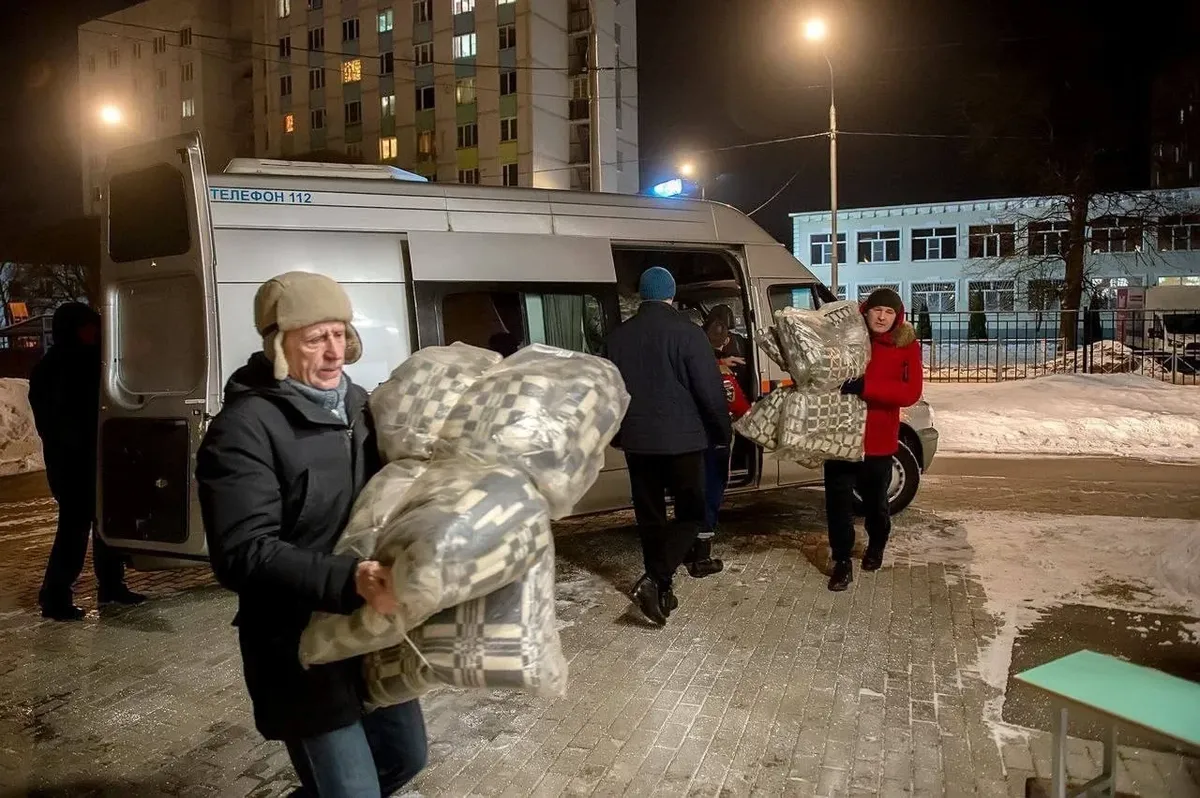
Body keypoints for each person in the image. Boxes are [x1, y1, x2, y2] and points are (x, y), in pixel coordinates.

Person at [195, 272, 426, 796]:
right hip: (297, 642)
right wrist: (351, 579)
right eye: (316, 338)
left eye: (340, 334)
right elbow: (242, 552)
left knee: (405, 758)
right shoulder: (245, 428)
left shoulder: (361, 406)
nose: (334, 352)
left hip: (368, 629)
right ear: (278, 344)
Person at [606, 267, 731, 625]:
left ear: (642, 296)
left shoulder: (618, 337)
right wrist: (721, 432)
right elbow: (709, 392)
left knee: (651, 518)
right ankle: (655, 579)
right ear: (671, 295)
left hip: (638, 443)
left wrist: (618, 434)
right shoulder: (689, 334)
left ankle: (660, 592)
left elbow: (609, 393)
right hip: (684, 443)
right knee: (691, 514)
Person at [29, 302, 144, 621]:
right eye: (89, 327)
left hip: (91, 459)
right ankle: (55, 595)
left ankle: (111, 584)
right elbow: (58, 421)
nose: (95, 332)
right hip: (75, 464)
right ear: (75, 329)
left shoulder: (84, 362)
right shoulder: (60, 368)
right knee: (74, 531)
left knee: (105, 524)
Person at [825, 287, 924, 592]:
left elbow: (910, 392)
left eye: (889, 312)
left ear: (897, 317)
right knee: (838, 503)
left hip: (878, 440)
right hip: (841, 436)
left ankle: (876, 545)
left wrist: (866, 387)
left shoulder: (905, 345)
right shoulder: (847, 338)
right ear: (866, 311)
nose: (882, 317)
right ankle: (842, 561)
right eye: (877, 310)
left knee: (876, 503)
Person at [693, 307, 752, 578]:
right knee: (712, 490)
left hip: (693, 436)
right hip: (715, 436)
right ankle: (701, 556)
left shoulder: (694, 359)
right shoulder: (723, 374)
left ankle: (689, 545)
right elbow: (736, 404)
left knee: (695, 489)